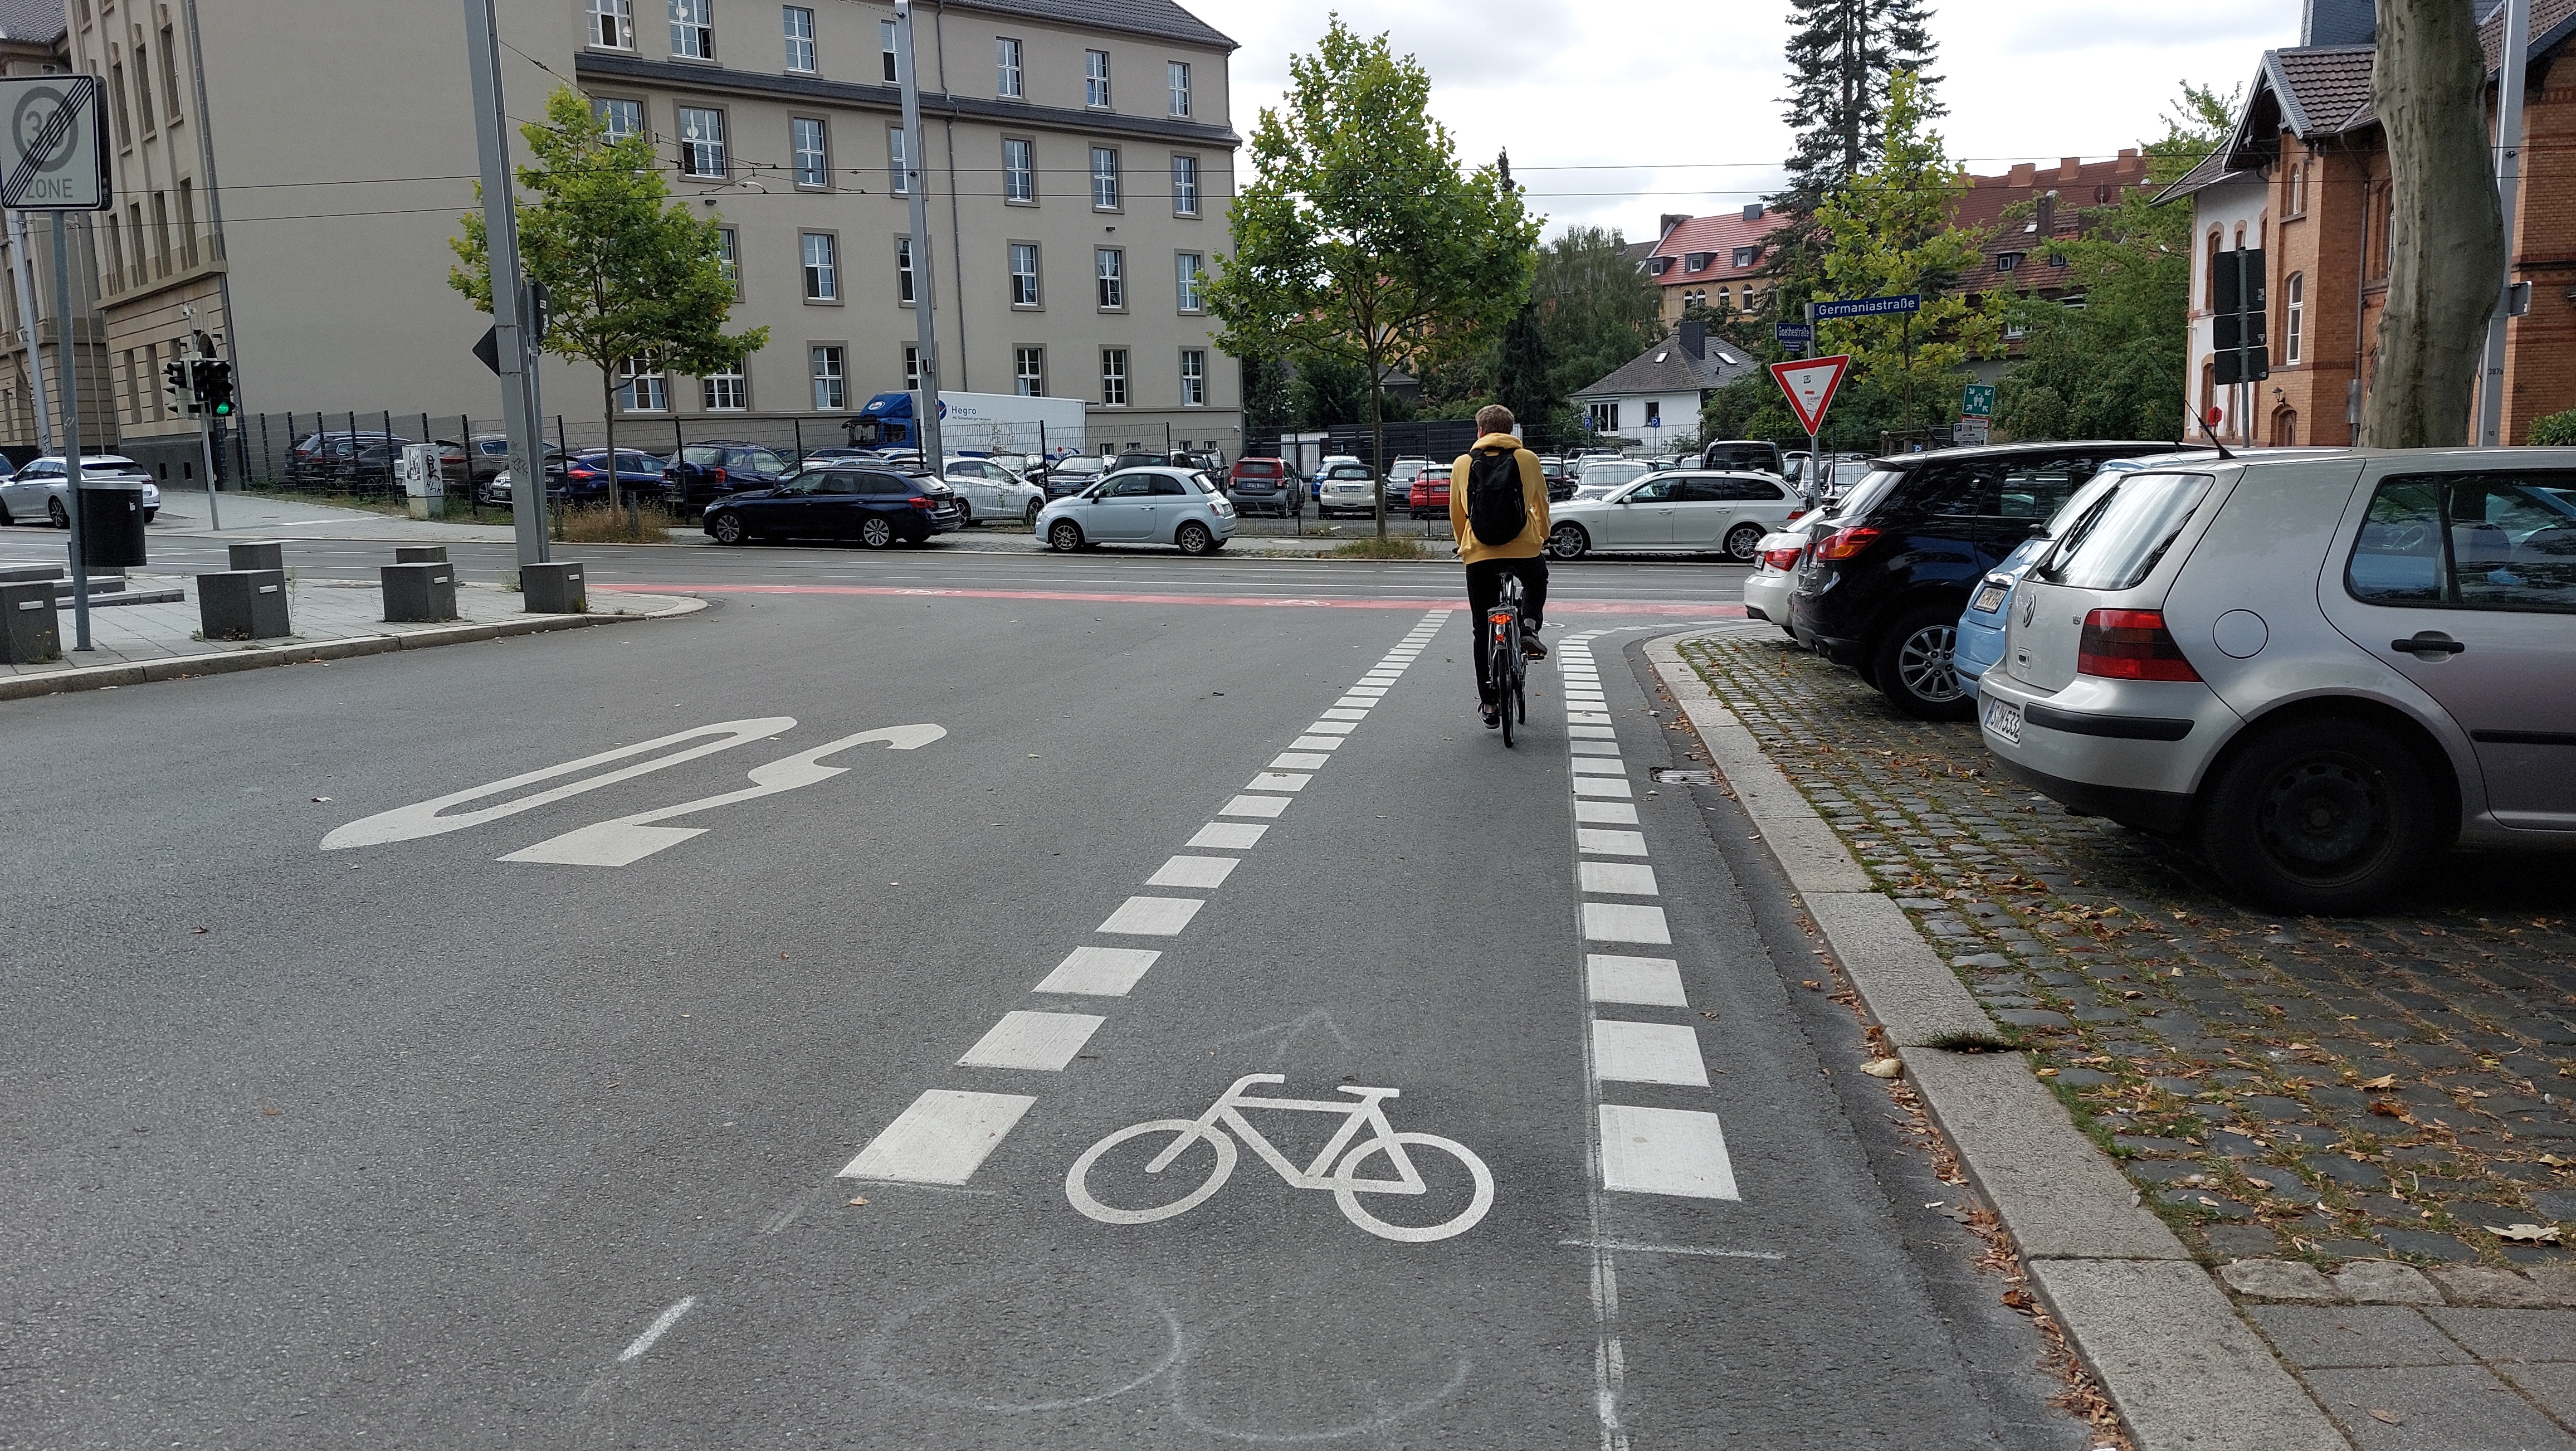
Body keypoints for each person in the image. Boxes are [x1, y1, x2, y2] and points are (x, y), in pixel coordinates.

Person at [1448, 404, 1550, 728]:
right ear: (1511, 431)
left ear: (1480, 431)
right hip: (1523, 549)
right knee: (1537, 579)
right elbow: (1540, 503)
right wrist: (1542, 536)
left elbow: (1457, 511)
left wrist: (1464, 543)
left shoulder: (1463, 464)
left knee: (1482, 629)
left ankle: (1490, 705)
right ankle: (1530, 628)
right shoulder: (1528, 459)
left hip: (1479, 554)